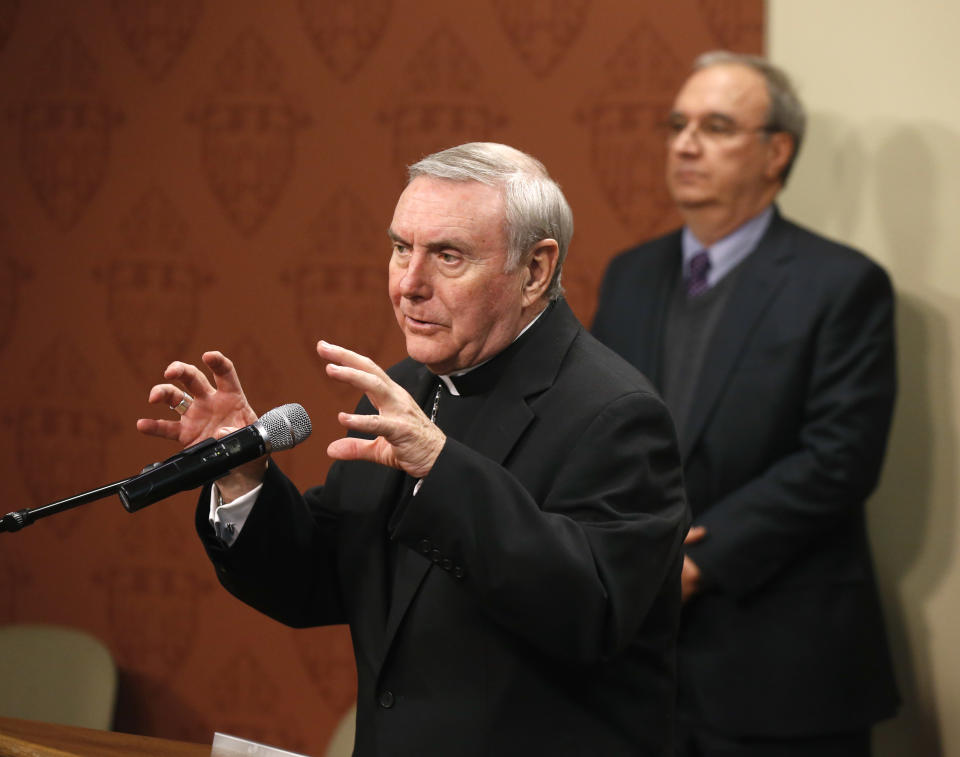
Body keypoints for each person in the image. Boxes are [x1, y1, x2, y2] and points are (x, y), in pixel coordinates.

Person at [137, 142, 689, 756]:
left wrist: (439, 467)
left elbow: (592, 612)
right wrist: (244, 476)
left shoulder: (616, 414)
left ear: (535, 271)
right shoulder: (406, 387)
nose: (409, 285)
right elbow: (319, 580)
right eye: (402, 248)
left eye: (447, 256)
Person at [592, 51, 900, 756]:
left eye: (717, 126)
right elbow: (598, 430)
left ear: (775, 152)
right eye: (677, 124)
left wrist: (703, 558)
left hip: (782, 664)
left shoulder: (842, 285)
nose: (685, 144)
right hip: (639, 665)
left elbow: (840, 460)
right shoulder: (631, 274)